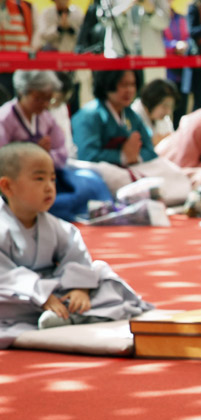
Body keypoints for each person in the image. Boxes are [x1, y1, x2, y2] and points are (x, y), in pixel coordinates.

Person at [0, 143, 153, 347]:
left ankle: (69, 314)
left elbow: (76, 257)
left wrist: (80, 289)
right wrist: (41, 295)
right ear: (7, 186)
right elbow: (6, 275)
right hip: (18, 297)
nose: (49, 187)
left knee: (102, 273)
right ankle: (69, 315)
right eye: (39, 178)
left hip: (57, 293)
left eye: (52, 179)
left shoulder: (57, 226)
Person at [0, 71, 112, 223]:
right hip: (20, 180)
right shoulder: (5, 117)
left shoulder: (46, 117)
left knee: (93, 181)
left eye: (48, 99)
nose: (44, 104)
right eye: (38, 99)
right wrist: (32, 153)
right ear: (22, 92)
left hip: (51, 173)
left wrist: (44, 156)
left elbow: (62, 152)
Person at [70, 70, 191, 206]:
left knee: (170, 170)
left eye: (132, 84)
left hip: (131, 166)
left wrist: (135, 156)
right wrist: (122, 156)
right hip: (103, 170)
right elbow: (87, 156)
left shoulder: (130, 114)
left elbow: (149, 151)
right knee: (114, 175)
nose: (129, 90)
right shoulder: (89, 115)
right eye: (123, 85)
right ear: (107, 84)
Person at [100, 0, 173, 83]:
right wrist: (126, 7)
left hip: (150, 56)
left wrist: (150, 10)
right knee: (121, 91)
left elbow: (164, 23)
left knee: (153, 92)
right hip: (119, 53)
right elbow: (104, 20)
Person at [132, 78, 180, 147]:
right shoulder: (134, 114)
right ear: (152, 100)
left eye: (171, 107)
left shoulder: (164, 118)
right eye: (164, 106)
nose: (168, 112)